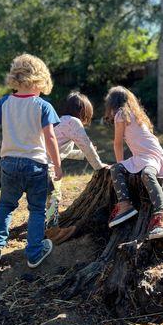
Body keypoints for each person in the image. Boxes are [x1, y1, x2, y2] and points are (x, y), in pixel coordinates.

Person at [0, 53, 62, 268]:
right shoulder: (43, 106)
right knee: (37, 209)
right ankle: (34, 252)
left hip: (9, 163)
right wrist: (58, 164)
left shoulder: (5, 102)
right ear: (39, 80)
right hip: (35, 165)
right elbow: (50, 137)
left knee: (6, 205)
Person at [104, 85, 163, 239]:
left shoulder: (121, 115)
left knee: (147, 174)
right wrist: (121, 166)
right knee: (118, 169)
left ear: (113, 103)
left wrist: (120, 164)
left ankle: (162, 214)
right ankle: (125, 205)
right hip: (141, 156)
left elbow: (117, 143)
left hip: (151, 155)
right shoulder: (136, 114)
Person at [45, 91, 106, 241]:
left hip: (34, 163)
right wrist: (99, 166)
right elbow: (87, 145)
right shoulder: (73, 122)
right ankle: (53, 232)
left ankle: (40, 227)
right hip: (46, 167)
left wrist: (82, 155)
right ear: (83, 111)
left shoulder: (59, 121)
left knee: (41, 199)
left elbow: (62, 150)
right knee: (53, 197)